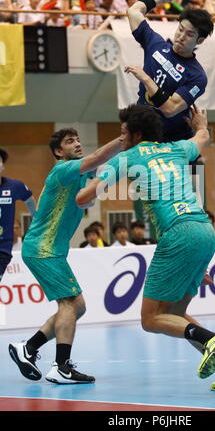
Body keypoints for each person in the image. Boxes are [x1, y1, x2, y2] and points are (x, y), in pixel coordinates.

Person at [76, 104, 215, 392]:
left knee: (151, 319)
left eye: (123, 133)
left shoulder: (126, 158)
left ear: (136, 134)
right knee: (174, 315)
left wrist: (70, 186)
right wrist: (201, 124)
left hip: (178, 236)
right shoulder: (177, 148)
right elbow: (202, 137)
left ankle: (209, 339)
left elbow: (85, 199)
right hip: (204, 232)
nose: (120, 139)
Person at [9, 128, 120, 384]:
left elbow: (88, 199)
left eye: (78, 139)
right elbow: (97, 158)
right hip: (43, 249)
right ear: (59, 151)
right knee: (69, 304)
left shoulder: (79, 176)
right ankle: (61, 366)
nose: (78, 144)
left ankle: (28, 348)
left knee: (76, 306)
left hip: (53, 251)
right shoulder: (62, 169)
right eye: (70, 141)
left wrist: (109, 171)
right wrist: (124, 139)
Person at [126, 0, 214, 142]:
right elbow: (133, 11)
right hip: (142, 134)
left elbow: (170, 108)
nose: (181, 36)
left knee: (197, 167)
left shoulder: (197, 76)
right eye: (180, 29)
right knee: (121, 163)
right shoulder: (156, 44)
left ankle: (197, 165)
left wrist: (146, 79)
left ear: (199, 41)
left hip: (175, 141)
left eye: (190, 34)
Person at [0, 148, 36, 283]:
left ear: (3, 165)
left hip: (2, 248)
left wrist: (38, 222)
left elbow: (30, 201)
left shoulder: (14, 186)